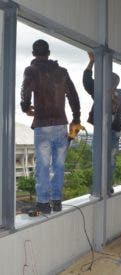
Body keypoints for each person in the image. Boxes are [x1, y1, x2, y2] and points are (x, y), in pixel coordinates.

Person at [20, 39, 81, 214]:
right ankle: (57, 201)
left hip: (43, 125)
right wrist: (76, 118)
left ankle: (43, 204)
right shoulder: (62, 72)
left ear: (33, 54)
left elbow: (26, 89)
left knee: (43, 166)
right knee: (59, 166)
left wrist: (25, 107)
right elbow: (73, 96)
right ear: (49, 53)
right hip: (61, 125)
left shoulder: (31, 70)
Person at [83, 52, 121, 194]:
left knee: (98, 158)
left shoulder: (99, 90)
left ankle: (98, 188)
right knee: (110, 160)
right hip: (114, 132)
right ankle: (107, 187)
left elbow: (86, 80)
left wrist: (91, 62)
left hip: (100, 130)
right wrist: (120, 101)